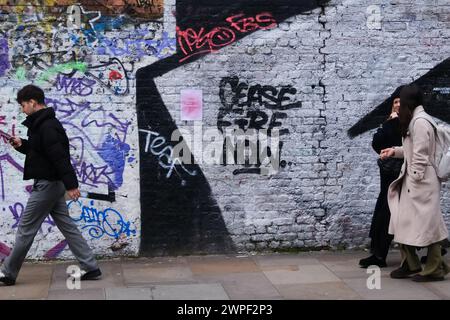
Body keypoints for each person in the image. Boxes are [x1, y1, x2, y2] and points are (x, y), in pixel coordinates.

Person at [0, 85, 102, 286]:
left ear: (32, 102)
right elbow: (42, 152)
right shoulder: (43, 124)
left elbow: (60, 157)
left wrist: (72, 185)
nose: (22, 110)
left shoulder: (47, 126)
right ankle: (90, 266)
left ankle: (8, 272)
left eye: (23, 105)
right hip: (53, 186)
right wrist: (23, 144)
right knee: (68, 226)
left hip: (47, 186)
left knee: (26, 228)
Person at [381, 84, 450, 282]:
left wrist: (415, 177)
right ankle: (411, 264)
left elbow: (420, 155)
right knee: (404, 222)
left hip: (421, 182)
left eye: (401, 100)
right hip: (416, 180)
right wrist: (394, 151)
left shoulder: (420, 122)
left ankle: (434, 268)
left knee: (429, 226)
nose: (399, 103)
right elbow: (413, 150)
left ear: (408, 101)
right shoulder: (416, 120)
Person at [359, 87, 403, 268]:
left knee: (390, 214)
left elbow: (394, 143)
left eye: (401, 102)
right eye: (395, 102)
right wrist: (389, 124)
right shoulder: (391, 122)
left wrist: (391, 125)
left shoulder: (407, 124)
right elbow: (377, 143)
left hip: (399, 177)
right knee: (385, 213)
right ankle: (378, 253)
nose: (398, 105)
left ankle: (379, 255)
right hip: (388, 176)